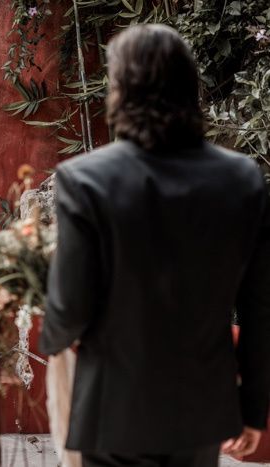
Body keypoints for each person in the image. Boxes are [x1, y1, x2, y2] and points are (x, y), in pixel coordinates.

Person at [39, 24, 270, 466]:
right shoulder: (242, 180)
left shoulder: (85, 180)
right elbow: (260, 310)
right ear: (189, 87)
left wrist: (56, 334)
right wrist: (253, 407)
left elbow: (67, 311)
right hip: (200, 409)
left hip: (112, 408)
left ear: (120, 90)